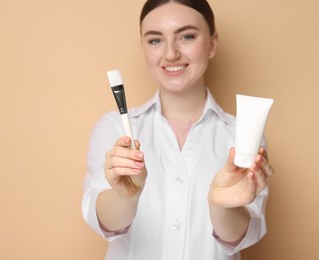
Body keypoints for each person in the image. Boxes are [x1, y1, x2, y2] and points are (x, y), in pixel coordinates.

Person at [82, 0, 274, 259]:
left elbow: (242, 236)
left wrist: (222, 206)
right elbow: (102, 220)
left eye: (186, 36)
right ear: (143, 48)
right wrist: (125, 196)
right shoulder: (114, 126)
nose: (171, 54)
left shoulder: (243, 134)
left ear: (213, 43)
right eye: (155, 40)